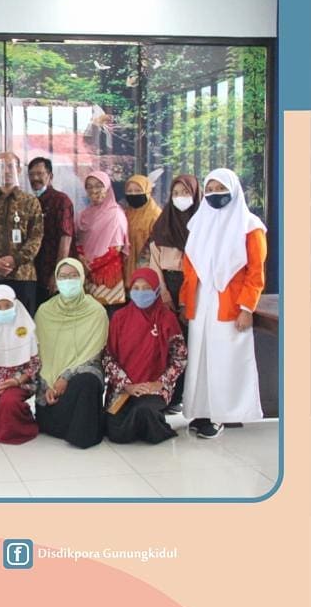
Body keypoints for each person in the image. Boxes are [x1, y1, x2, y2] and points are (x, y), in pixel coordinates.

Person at [179, 169, 267, 439]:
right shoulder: (198, 223)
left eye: (220, 188)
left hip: (231, 305)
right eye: (210, 188)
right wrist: (185, 303)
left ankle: (223, 415)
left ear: (234, 189)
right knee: (201, 357)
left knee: (225, 359)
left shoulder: (250, 226)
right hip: (201, 302)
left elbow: (255, 272)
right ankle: (202, 411)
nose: (214, 194)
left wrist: (246, 308)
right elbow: (189, 269)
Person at [102, 268, 187, 444]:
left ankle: (150, 423)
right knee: (116, 432)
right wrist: (127, 385)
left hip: (153, 387)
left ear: (156, 290)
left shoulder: (167, 318)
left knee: (143, 410)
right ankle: (144, 425)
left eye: (147, 288)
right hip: (123, 389)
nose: (141, 293)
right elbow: (108, 357)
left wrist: (160, 383)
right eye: (136, 288)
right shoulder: (119, 318)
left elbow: (179, 358)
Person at [34, 258, 108, 449]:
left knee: (87, 382)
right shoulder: (45, 311)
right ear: (56, 280)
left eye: (73, 276)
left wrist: (66, 377)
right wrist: (48, 384)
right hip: (50, 386)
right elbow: (39, 356)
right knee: (51, 419)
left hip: (81, 377)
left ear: (82, 278)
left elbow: (94, 355)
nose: (68, 281)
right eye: (63, 276)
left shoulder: (96, 312)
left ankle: (83, 434)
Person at [148, 173, 201, 412]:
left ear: (196, 195)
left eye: (186, 193)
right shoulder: (163, 225)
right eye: (176, 193)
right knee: (170, 344)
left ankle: (191, 396)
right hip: (167, 286)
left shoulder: (203, 225)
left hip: (195, 289)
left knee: (192, 343)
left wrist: (187, 300)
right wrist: (165, 296)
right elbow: (155, 264)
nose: (180, 197)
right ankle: (172, 395)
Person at [0, 152, 44, 313]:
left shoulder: (30, 201)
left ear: (18, 170)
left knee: (23, 323)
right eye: (1, 166)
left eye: (11, 166)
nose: (6, 171)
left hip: (23, 275)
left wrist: (15, 260)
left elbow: (36, 237)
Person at [0, 285, 41, 445]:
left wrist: (16, 381)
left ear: (15, 304)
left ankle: (23, 428)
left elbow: (34, 363)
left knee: (9, 402)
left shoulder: (26, 327)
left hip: (20, 382)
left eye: (7, 306)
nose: (3, 310)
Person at [75, 170, 129, 307]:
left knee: (107, 316)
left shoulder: (115, 214)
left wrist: (90, 266)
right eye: (89, 186)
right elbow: (78, 240)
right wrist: (81, 258)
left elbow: (116, 248)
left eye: (99, 186)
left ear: (107, 188)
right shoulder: (84, 214)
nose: (94, 190)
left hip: (107, 278)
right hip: (86, 276)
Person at [27, 157, 75, 307]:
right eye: (31, 174)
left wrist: (58, 273)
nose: (35, 178)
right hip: (34, 274)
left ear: (50, 176)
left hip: (54, 274)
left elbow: (66, 238)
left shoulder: (61, 201)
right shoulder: (29, 202)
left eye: (40, 173)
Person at [122, 174, 162, 288]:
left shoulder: (156, 215)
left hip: (147, 267)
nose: (133, 194)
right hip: (126, 267)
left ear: (148, 191)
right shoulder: (126, 213)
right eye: (129, 191)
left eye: (138, 190)